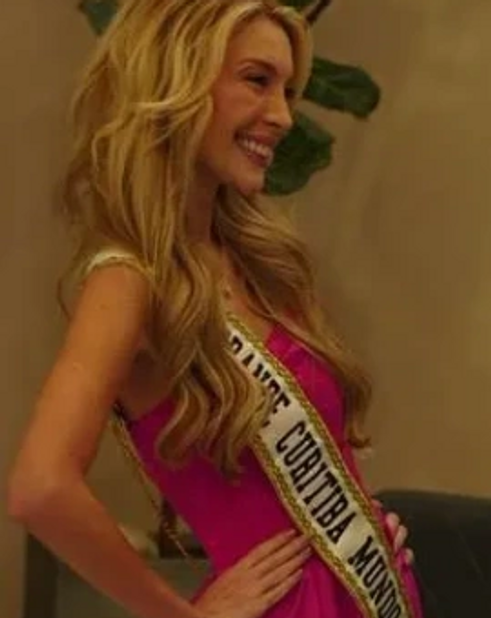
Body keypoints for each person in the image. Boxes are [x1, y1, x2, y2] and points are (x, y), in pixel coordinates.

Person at [6, 2, 424, 617]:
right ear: (176, 79)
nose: (282, 116)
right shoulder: (128, 280)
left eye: (288, 90)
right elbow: (39, 489)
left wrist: (363, 529)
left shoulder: (259, 263)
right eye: (257, 81)